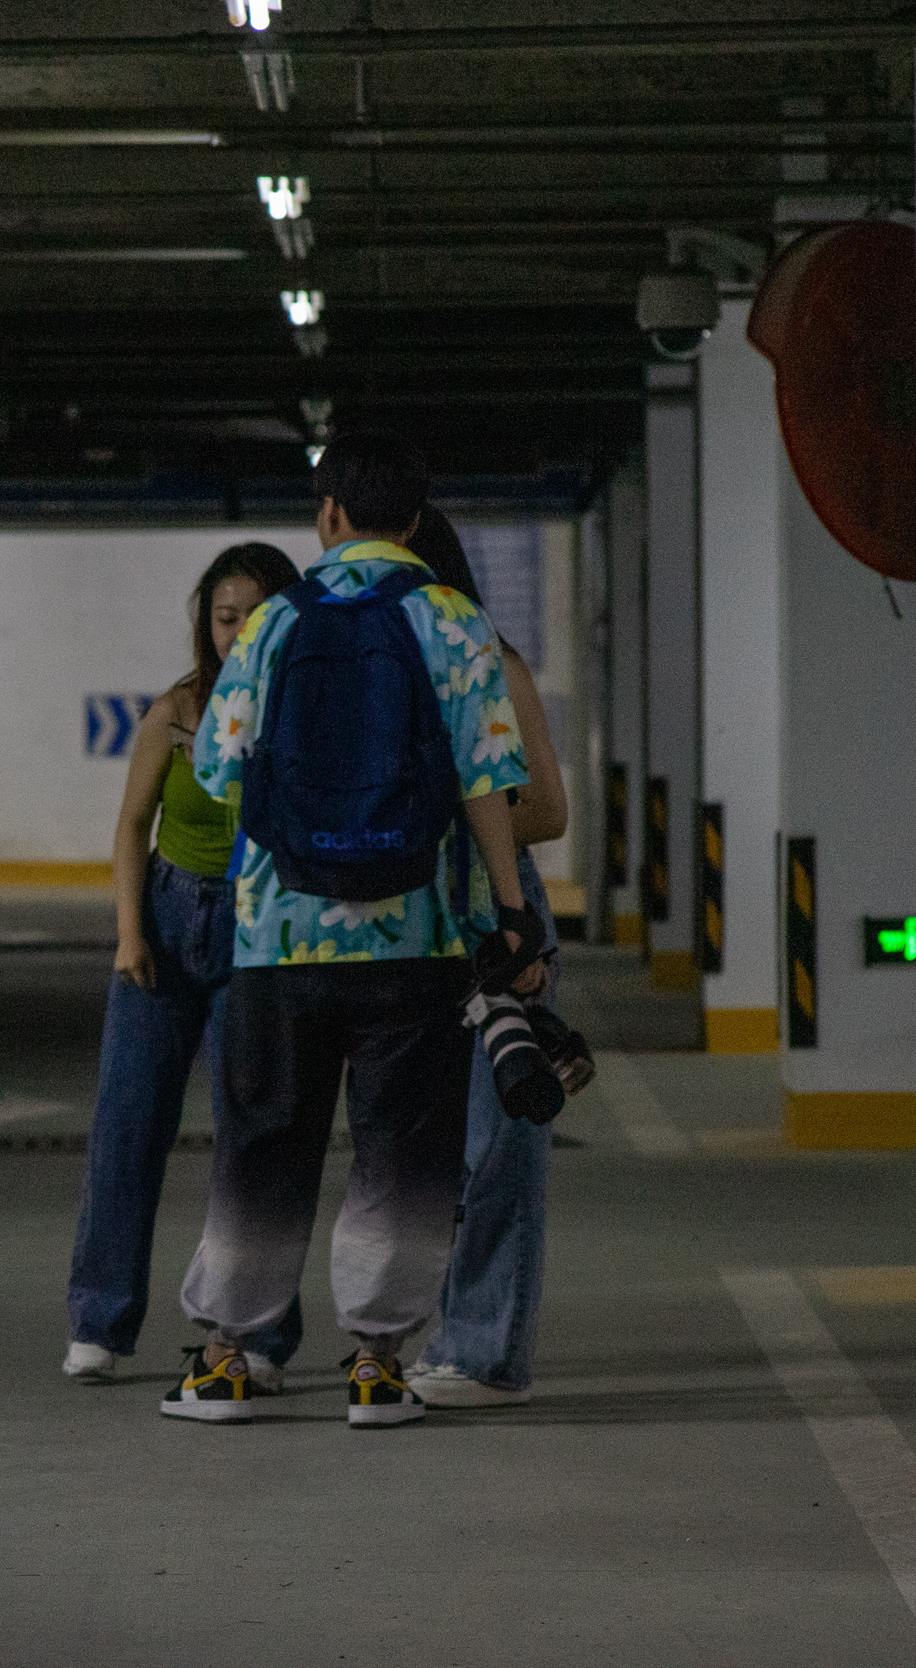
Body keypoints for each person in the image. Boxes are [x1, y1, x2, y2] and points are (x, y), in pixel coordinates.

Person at [163, 431, 541, 1429]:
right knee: (401, 1153)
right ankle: (377, 1366)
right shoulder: (456, 621)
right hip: (413, 938)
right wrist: (511, 915)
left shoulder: (276, 622)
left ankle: (226, 1360)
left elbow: (218, 769)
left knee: (263, 1143)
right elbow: (487, 786)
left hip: (277, 938)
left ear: (326, 514)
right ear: (415, 520)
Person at [65, 542, 306, 1386]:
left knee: (252, 1139)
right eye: (224, 615)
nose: (238, 629)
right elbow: (132, 828)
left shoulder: (303, 707)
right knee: (128, 1123)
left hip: (260, 928)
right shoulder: (174, 710)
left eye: (254, 614)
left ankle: (262, 1335)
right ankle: (100, 1318)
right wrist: (131, 933)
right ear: (206, 624)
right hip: (168, 921)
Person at [397, 509, 569, 1409]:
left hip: (494, 920)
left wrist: (463, 814)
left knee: (498, 1142)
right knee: (425, 1148)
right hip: (410, 921)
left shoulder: (496, 666)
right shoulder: (388, 676)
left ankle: (487, 1351)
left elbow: (547, 809)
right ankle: (444, 1332)